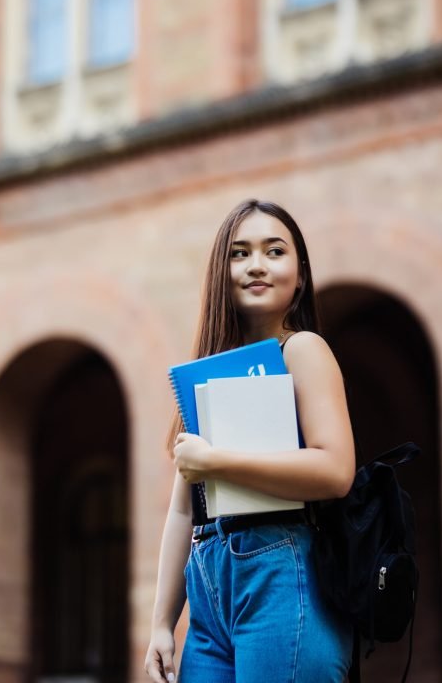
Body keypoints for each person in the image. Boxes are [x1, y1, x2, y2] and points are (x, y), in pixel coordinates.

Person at [145, 199, 355, 683]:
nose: (256, 265)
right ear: (222, 272)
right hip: (207, 584)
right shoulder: (208, 369)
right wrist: (161, 623)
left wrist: (217, 461)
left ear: (299, 275)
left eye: (274, 251)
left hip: (280, 572)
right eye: (240, 253)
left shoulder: (302, 350)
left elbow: (335, 470)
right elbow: (183, 510)